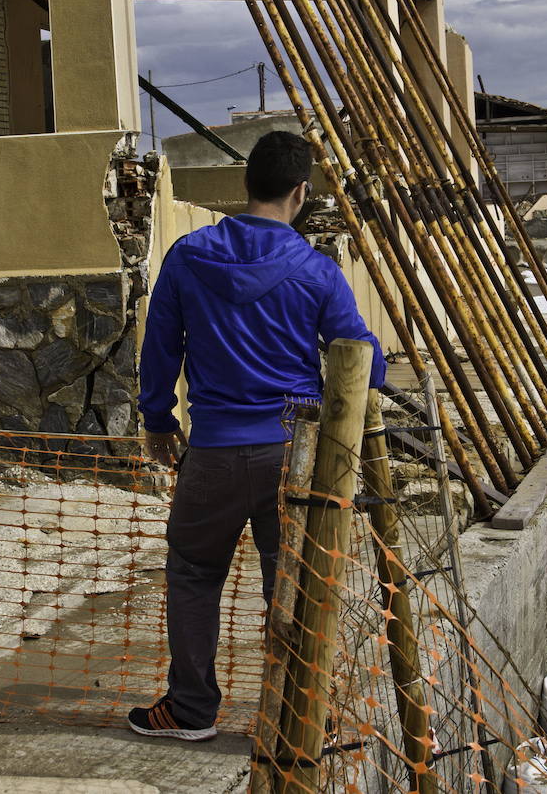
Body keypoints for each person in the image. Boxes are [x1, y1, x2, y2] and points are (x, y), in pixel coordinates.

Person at [129, 130, 386, 741]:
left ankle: (190, 709)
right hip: (291, 458)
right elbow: (365, 360)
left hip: (212, 451)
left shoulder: (187, 258)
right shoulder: (317, 271)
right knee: (290, 581)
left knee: (193, 574)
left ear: (246, 185)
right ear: (301, 191)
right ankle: (296, 715)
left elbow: (160, 349)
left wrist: (158, 419)